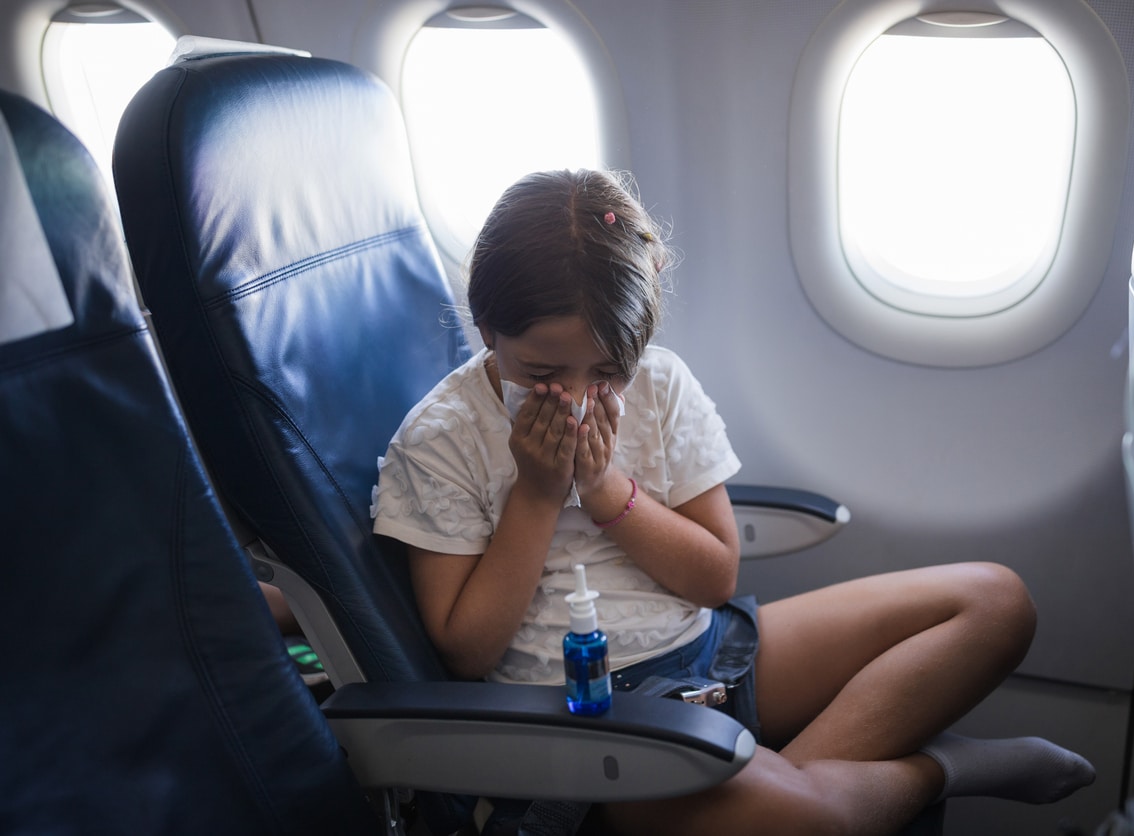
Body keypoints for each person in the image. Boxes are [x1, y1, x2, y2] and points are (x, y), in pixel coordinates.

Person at [371, 168, 1096, 835]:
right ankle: (941, 771)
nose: (581, 396)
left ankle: (788, 784)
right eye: (542, 369)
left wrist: (604, 489)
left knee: (995, 603)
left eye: (608, 371)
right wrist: (537, 494)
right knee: (813, 821)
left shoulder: (658, 385)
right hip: (589, 723)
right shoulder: (442, 438)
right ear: (486, 326)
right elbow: (467, 652)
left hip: (710, 654)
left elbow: (716, 577)